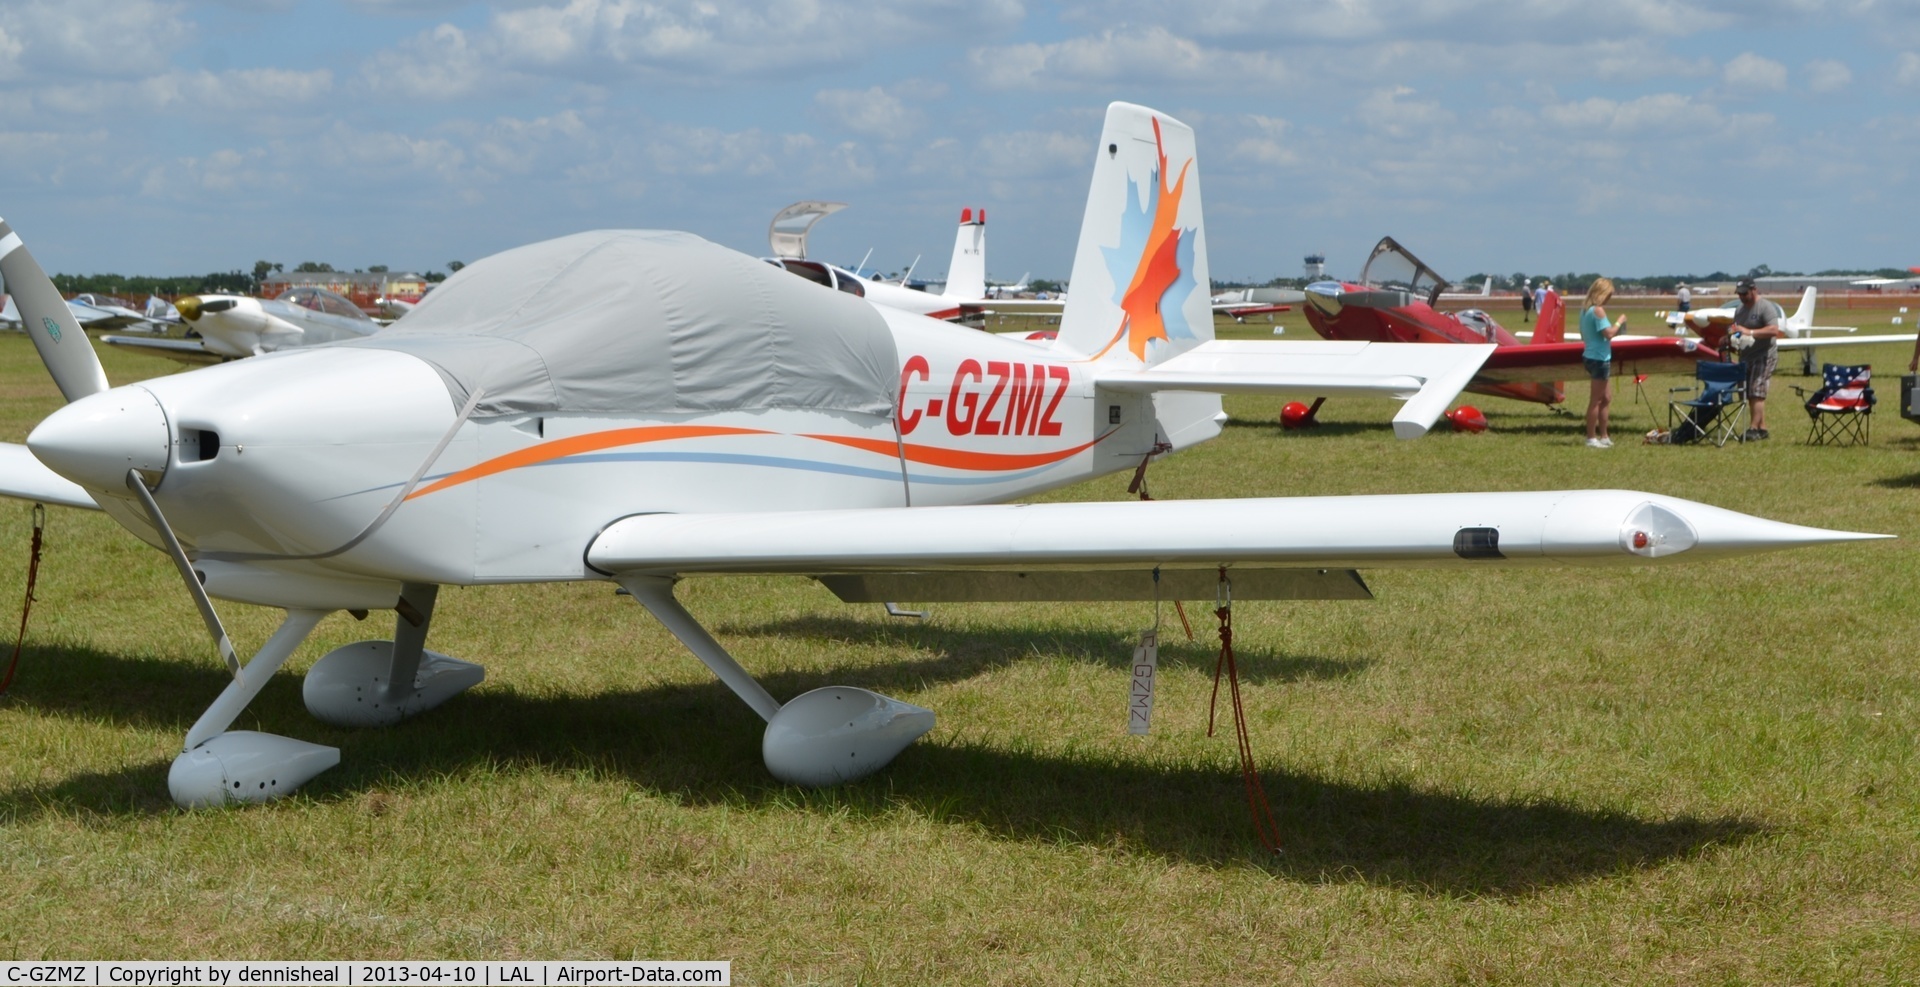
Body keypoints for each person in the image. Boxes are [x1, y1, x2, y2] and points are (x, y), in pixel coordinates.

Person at [1730, 277, 1785, 441]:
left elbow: (1774, 330)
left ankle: (1753, 429)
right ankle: (1762, 428)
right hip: (1746, 356)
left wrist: (1750, 332)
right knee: (1747, 393)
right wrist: (1731, 337)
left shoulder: (1765, 307)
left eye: (1744, 293)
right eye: (1739, 294)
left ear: (1754, 289)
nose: (1741, 296)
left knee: (1756, 392)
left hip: (1764, 355)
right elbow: (1738, 330)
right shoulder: (1739, 310)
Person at [1579, 277, 1628, 448]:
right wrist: (1619, 321)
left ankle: (1604, 436)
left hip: (1591, 356)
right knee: (1596, 400)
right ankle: (1591, 438)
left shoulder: (1584, 311)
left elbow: (1583, 334)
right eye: (1608, 296)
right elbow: (1609, 333)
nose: (1609, 300)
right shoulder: (1598, 311)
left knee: (1606, 397)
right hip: (1599, 359)